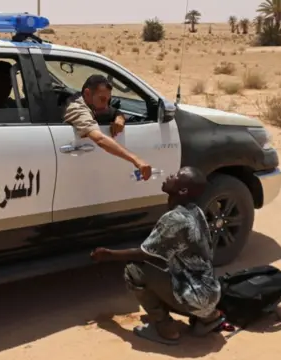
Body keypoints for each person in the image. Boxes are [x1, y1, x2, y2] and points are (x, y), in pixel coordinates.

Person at [90, 166, 224, 345]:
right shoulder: (195, 211)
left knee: (134, 270)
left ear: (182, 190)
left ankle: (165, 328)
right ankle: (208, 318)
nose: (170, 175)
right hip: (210, 293)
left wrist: (107, 254)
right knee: (163, 269)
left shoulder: (174, 219)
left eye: (176, 176)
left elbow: (143, 254)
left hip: (193, 296)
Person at [63, 74, 152, 181]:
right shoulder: (77, 109)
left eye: (108, 100)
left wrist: (119, 117)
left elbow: (112, 111)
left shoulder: (92, 103)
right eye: (102, 99)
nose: (105, 106)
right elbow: (99, 139)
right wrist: (136, 160)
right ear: (87, 93)